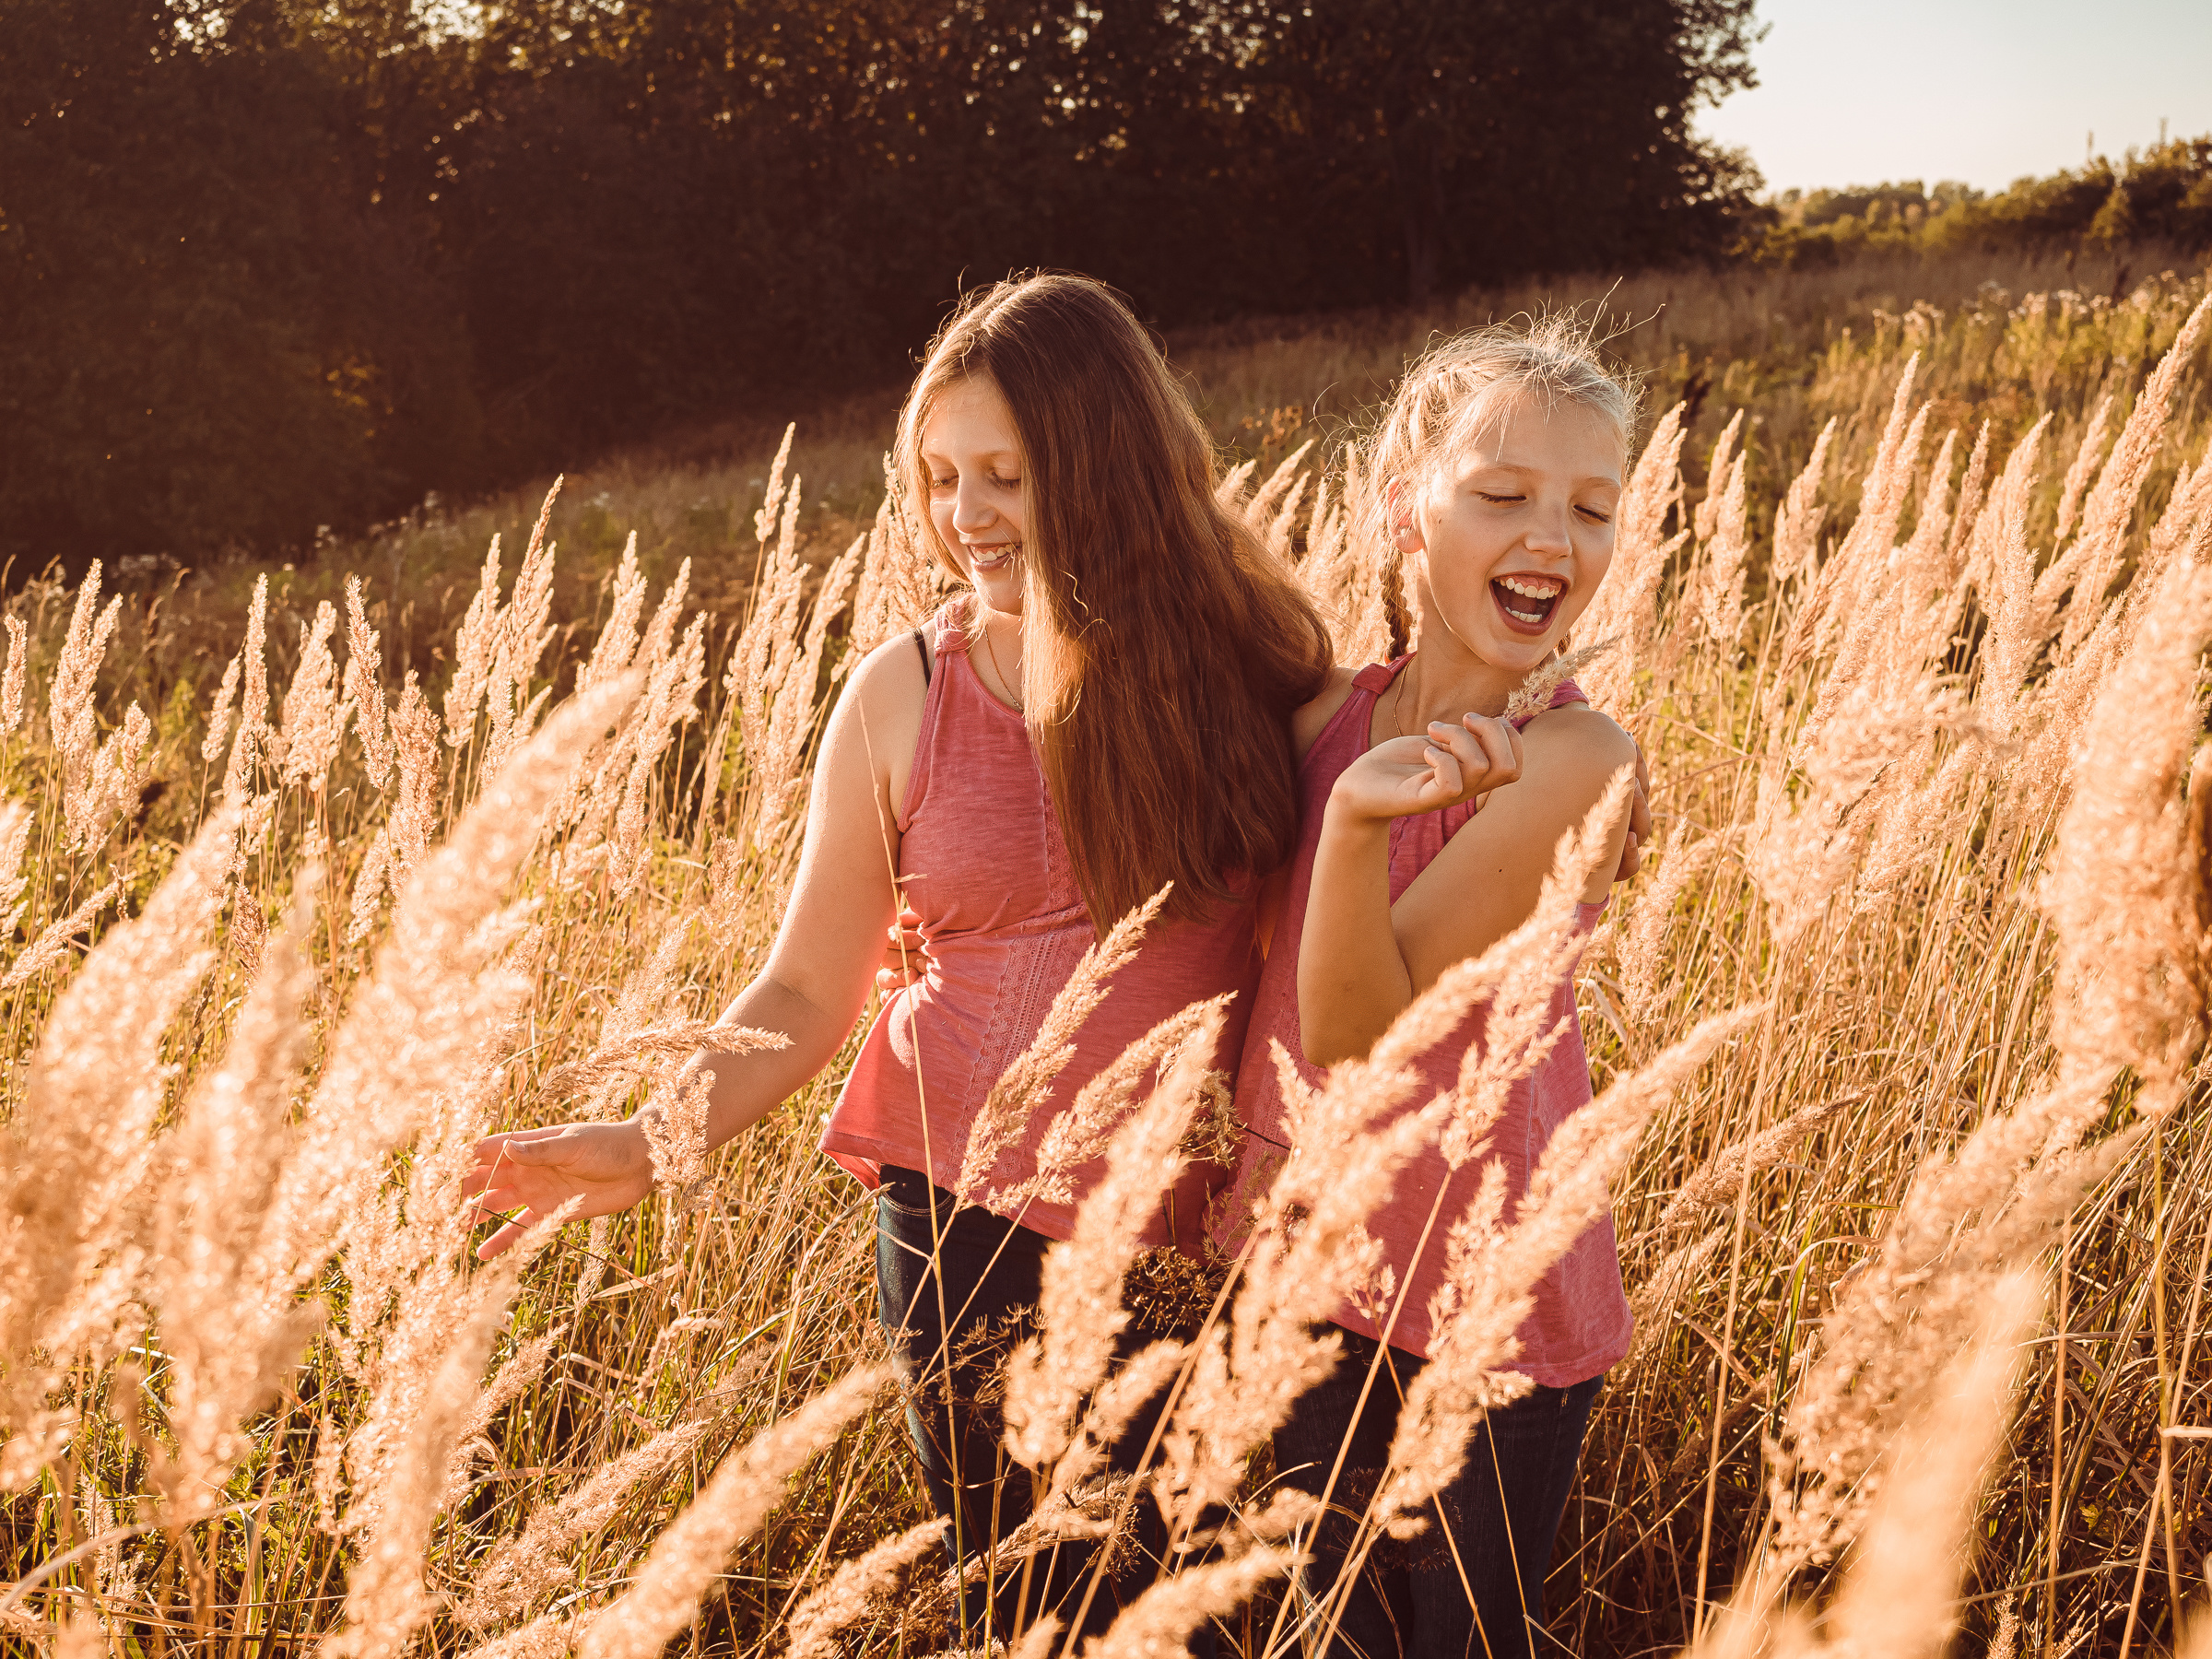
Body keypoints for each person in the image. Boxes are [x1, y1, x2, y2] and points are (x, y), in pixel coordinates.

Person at [463, 272, 1336, 1643]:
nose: (965, 515)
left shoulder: (1257, 660)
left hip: (1188, 1221)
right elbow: (811, 984)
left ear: (1104, 460)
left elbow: (1378, 840)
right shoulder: (903, 693)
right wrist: (651, 1139)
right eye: (939, 477)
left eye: (1004, 472)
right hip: (961, 1224)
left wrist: (1577, 763)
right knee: (1031, 1602)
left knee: (1204, 1606)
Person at [1226, 321, 1645, 1659]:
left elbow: (1366, 1035)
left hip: (1487, 1306)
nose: (1553, 538)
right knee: (1323, 1633)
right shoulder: (1319, 719)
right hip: (1299, 1270)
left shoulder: (1571, 758)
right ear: (1408, 506)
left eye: (1591, 508)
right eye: (1504, 494)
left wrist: (1356, 827)